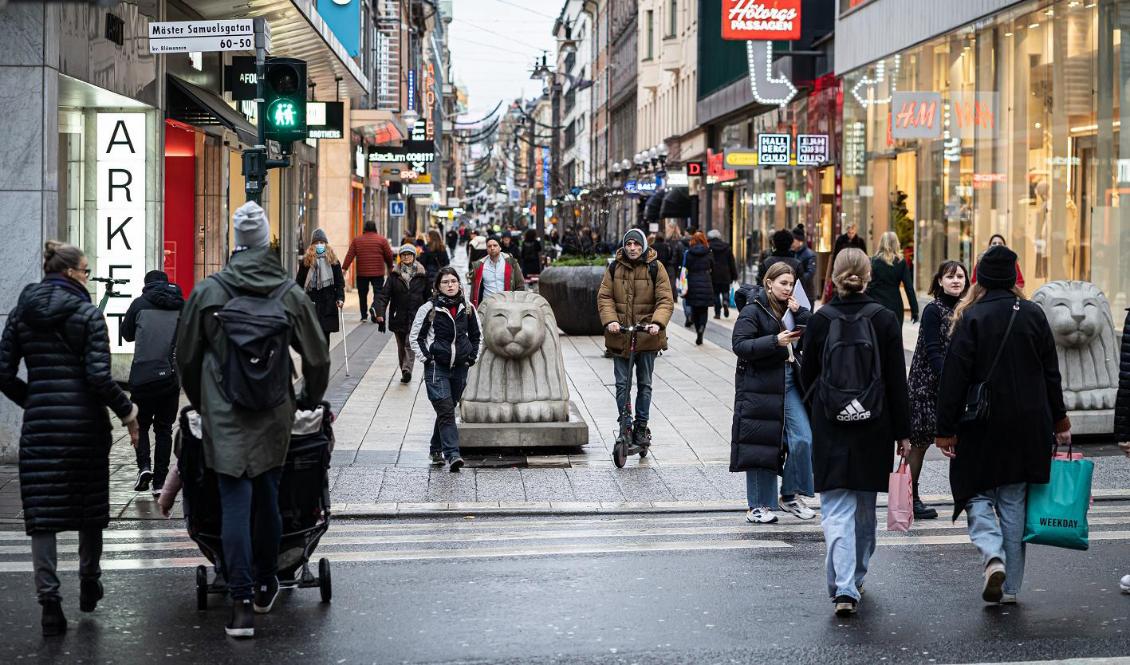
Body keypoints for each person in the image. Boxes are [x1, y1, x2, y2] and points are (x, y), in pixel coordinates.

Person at [176, 201, 330, 638]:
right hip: (273, 409)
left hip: (224, 411)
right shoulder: (287, 293)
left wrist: (203, 402)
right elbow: (317, 357)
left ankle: (240, 605)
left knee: (234, 503)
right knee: (268, 496)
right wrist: (306, 399)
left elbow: (186, 357)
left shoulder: (208, 292)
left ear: (236, 243)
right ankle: (266, 584)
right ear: (266, 243)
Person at [0, 241, 139, 636]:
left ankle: (49, 602)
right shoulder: (88, 315)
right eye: (85, 271)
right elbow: (99, 378)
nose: (87, 278)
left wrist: (34, 400)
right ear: (69, 273)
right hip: (85, 428)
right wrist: (128, 412)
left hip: (40, 427)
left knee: (41, 516)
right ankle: (89, 580)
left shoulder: (21, 313)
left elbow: (3, 372)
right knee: (88, 507)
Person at [934, 245, 1069, 606]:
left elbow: (954, 378)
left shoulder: (971, 316)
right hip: (1029, 423)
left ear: (979, 278)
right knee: (1013, 501)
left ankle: (992, 554)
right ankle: (1010, 588)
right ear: (1013, 277)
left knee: (974, 491)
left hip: (981, 422)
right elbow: (1051, 373)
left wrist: (944, 429)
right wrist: (1060, 419)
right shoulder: (1033, 314)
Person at [800, 248, 911, 616]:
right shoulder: (884, 319)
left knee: (835, 509)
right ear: (868, 276)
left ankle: (843, 587)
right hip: (874, 426)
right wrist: (904, 433)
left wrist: (819, 412)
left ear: (833, 276)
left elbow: (806, 376)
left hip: (830, 425)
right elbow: (896, 381)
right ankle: (855, 578)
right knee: (864, 510)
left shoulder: (821, 320)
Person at [730, 262, 816, 525]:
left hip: (789, 380)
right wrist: (774, 341)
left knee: (803, 438)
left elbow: (812, 337)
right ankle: (757, 506)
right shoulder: (753, 309)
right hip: (760, 383)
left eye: (791, 284)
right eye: (783, 283)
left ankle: (789, 495)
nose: (787, 288)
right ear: (769, 283)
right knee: (762, 444)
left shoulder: (792, 308)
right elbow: (740, 344)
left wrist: (802, 314)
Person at [597, 229, 675, 450]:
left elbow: (665, 300)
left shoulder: (655, 267)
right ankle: (625, 424)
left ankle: (641, 426)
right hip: (620, 335)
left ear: (643, 245)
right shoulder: (614, 267)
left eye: (636, 244)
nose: (632, 248)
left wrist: (657, 323)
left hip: (647, 336)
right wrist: (611, 320)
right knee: (622, 384)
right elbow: (605, 297)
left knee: (644, 384)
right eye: (629, 244)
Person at [906, 261, 969, 520]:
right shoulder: (933, 309)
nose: (956, 280)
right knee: (919, 444)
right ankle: (911, 498)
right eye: (950, 276)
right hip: (925, 386)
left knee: (960, 442)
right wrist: (947, 378)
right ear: (940, 281)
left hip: (954, 385)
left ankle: (966, 495)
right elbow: (933, 349)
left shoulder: (966, 309)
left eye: (960, 276)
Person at [410, 266, 482, 470]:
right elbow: (415, 337)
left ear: (459, 283)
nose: (450, 285)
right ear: (438, 286)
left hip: (460, 368)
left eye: (453, 281)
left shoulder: (467, 308)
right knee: (446, 410)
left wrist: (471, 358)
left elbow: (477, 336)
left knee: (447, 410)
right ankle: (453, 454)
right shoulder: (429, 308)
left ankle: (435, 449)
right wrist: (428, 358)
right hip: (437, 369)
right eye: (445, 282)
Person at [121, 270, 185, 496]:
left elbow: (126, 334)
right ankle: (159, 483)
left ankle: (144, 467)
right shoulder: (181, 305)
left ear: (146, 284)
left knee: (141, 425)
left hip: (143, 377)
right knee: (164, 429)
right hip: (170, 377)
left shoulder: (139, 304)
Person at [374, 244, 431, 383]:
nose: (406, 257)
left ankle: (407, 369)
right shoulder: (394, 275)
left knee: (409, 343)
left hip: (416, 315)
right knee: (401, 346)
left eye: (409, 254)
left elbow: (428, 297)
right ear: (400, 257)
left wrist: (430, 314)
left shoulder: (422, 274)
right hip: (398, 315)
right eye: (403, 255)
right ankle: (404, 369)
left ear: (414, 256)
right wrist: (380, 313)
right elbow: (384, 295)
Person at [296, 228, 346, 345]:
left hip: (328, 304)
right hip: (311, 303)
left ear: (326, 244)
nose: (319, 245)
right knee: (311, 337)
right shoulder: (306, 262)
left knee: (325, 337)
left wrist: (340, 298)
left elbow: (339, 283)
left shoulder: (333, 261)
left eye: (322, 242)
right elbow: (299, 283)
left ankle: (323, 357)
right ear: (312, 245)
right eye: (317, 242)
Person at [342, 220, 395, 323]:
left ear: (364, 228)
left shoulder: (357, 240)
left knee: (362, 294)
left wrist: (344, 268)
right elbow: (389, 255)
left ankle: (364, 316)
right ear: (375, 228)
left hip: (362, 272)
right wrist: (390, 267)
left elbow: (350, 254)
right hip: (378, 272)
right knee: (378, 292)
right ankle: (375, 309)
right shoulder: (382, 240)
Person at [870, 231, 919, 327]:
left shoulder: (873, 261)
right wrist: (914, 310)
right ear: (896, 243)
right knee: (895, 334)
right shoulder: (901, 262)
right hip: (895, 304)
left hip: (876, 305)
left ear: (881, 243)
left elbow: (868, 284)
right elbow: (909, 287)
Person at [469, 236, 525, 308]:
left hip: (507, 305)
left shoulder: (511, 262)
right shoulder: (479, 265)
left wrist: (516, 304)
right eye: (489, 246)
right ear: (487, 249)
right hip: (487, 306)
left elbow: (520, 285)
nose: (492, 248)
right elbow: (474, 290)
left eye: (495, 245)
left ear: (500, 247)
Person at [683, 232, 715, 345]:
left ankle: (698, 330)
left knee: (694, 309)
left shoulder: (689, 253)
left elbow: (685, 268)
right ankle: (702, 327)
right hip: (706, 282)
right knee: (703, 309)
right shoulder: (709, 252)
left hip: (692, 282)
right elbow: (713, 267)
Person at [824, 221, 868, 301]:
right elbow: (836, 255)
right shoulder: (840, 240)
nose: (851, 235)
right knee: (842, 286)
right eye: (849, 233)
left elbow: (864, 255)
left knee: (854, 285)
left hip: (856, 267)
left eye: (852, 233)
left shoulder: (860, 241)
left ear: (855, 231)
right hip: (843, 267)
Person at [707, 229, 738, 319]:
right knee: (725, 290)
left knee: (716, 293)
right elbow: (731, 262)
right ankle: (725, 302)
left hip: (714, 274)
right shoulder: (727, 247)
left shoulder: (709, 247)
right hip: (726, 273)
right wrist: (734, 275)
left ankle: (717, 313)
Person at [791, 225, 818, 298]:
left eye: (793, 241)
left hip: (806, 292)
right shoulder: (792, 253)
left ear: (800, 241)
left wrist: (797, 279)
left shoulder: (810, 255)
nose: (791, 243)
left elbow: (810, 273)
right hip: (794, 291)